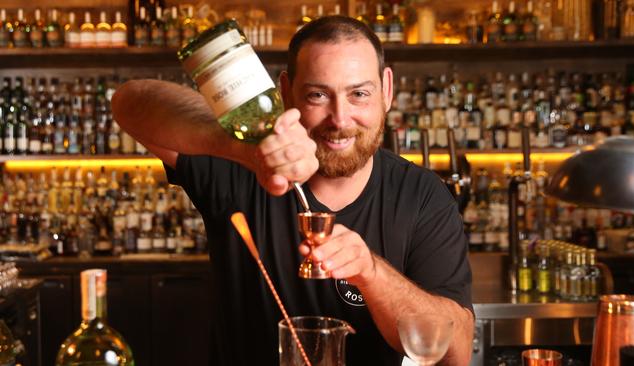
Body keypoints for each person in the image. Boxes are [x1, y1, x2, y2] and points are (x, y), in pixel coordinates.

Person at [112, 16, 474, 366]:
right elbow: (128, 102)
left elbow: (454, 353)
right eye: (318, 95)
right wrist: (246, 148)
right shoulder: (238, 168)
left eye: (359, 94)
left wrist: (370, 272)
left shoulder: (423, 196)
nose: (340, 119)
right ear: (285, 91)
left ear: (387, 90)